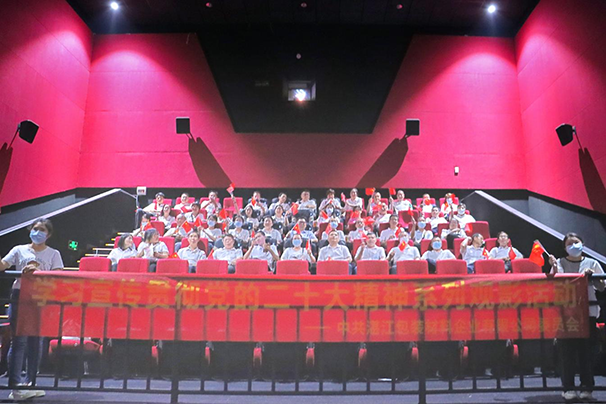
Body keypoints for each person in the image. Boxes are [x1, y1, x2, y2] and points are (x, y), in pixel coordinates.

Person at [0, 218, 63, 400]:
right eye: (35, 228)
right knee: (19, 341)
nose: (37, 232)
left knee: (36, 341)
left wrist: (39, 271)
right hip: (19, 296)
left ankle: (30, 382)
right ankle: (15, 385)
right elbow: (3, 265)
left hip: (41, 298)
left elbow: (58, 274)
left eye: (42, 230)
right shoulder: (19, 249)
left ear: (48, 234)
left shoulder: (53, 253)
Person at [548, 233, 605, 401]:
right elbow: (553, 285)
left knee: (586, 353)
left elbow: (602, 287)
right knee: (567, 354)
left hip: (587, 313)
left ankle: (587, 387)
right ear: (565, 247)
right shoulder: (559, 263)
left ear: (582, 244)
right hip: (565, 315)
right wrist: (554, 268)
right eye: (570, 243)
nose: (573, 246)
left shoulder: (592, 263)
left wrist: (592, 277)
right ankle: (568, 388)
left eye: (576, 242)